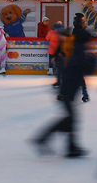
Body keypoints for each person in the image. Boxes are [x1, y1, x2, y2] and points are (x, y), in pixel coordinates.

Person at [31, 13, 92, 158]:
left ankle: (70, 146)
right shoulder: (77, 48)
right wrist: (92, 61)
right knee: (69, 118)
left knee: (70, 118)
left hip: (68, 85)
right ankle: (44, 139)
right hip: (68, 86)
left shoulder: (73, 44)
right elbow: (80, 67)